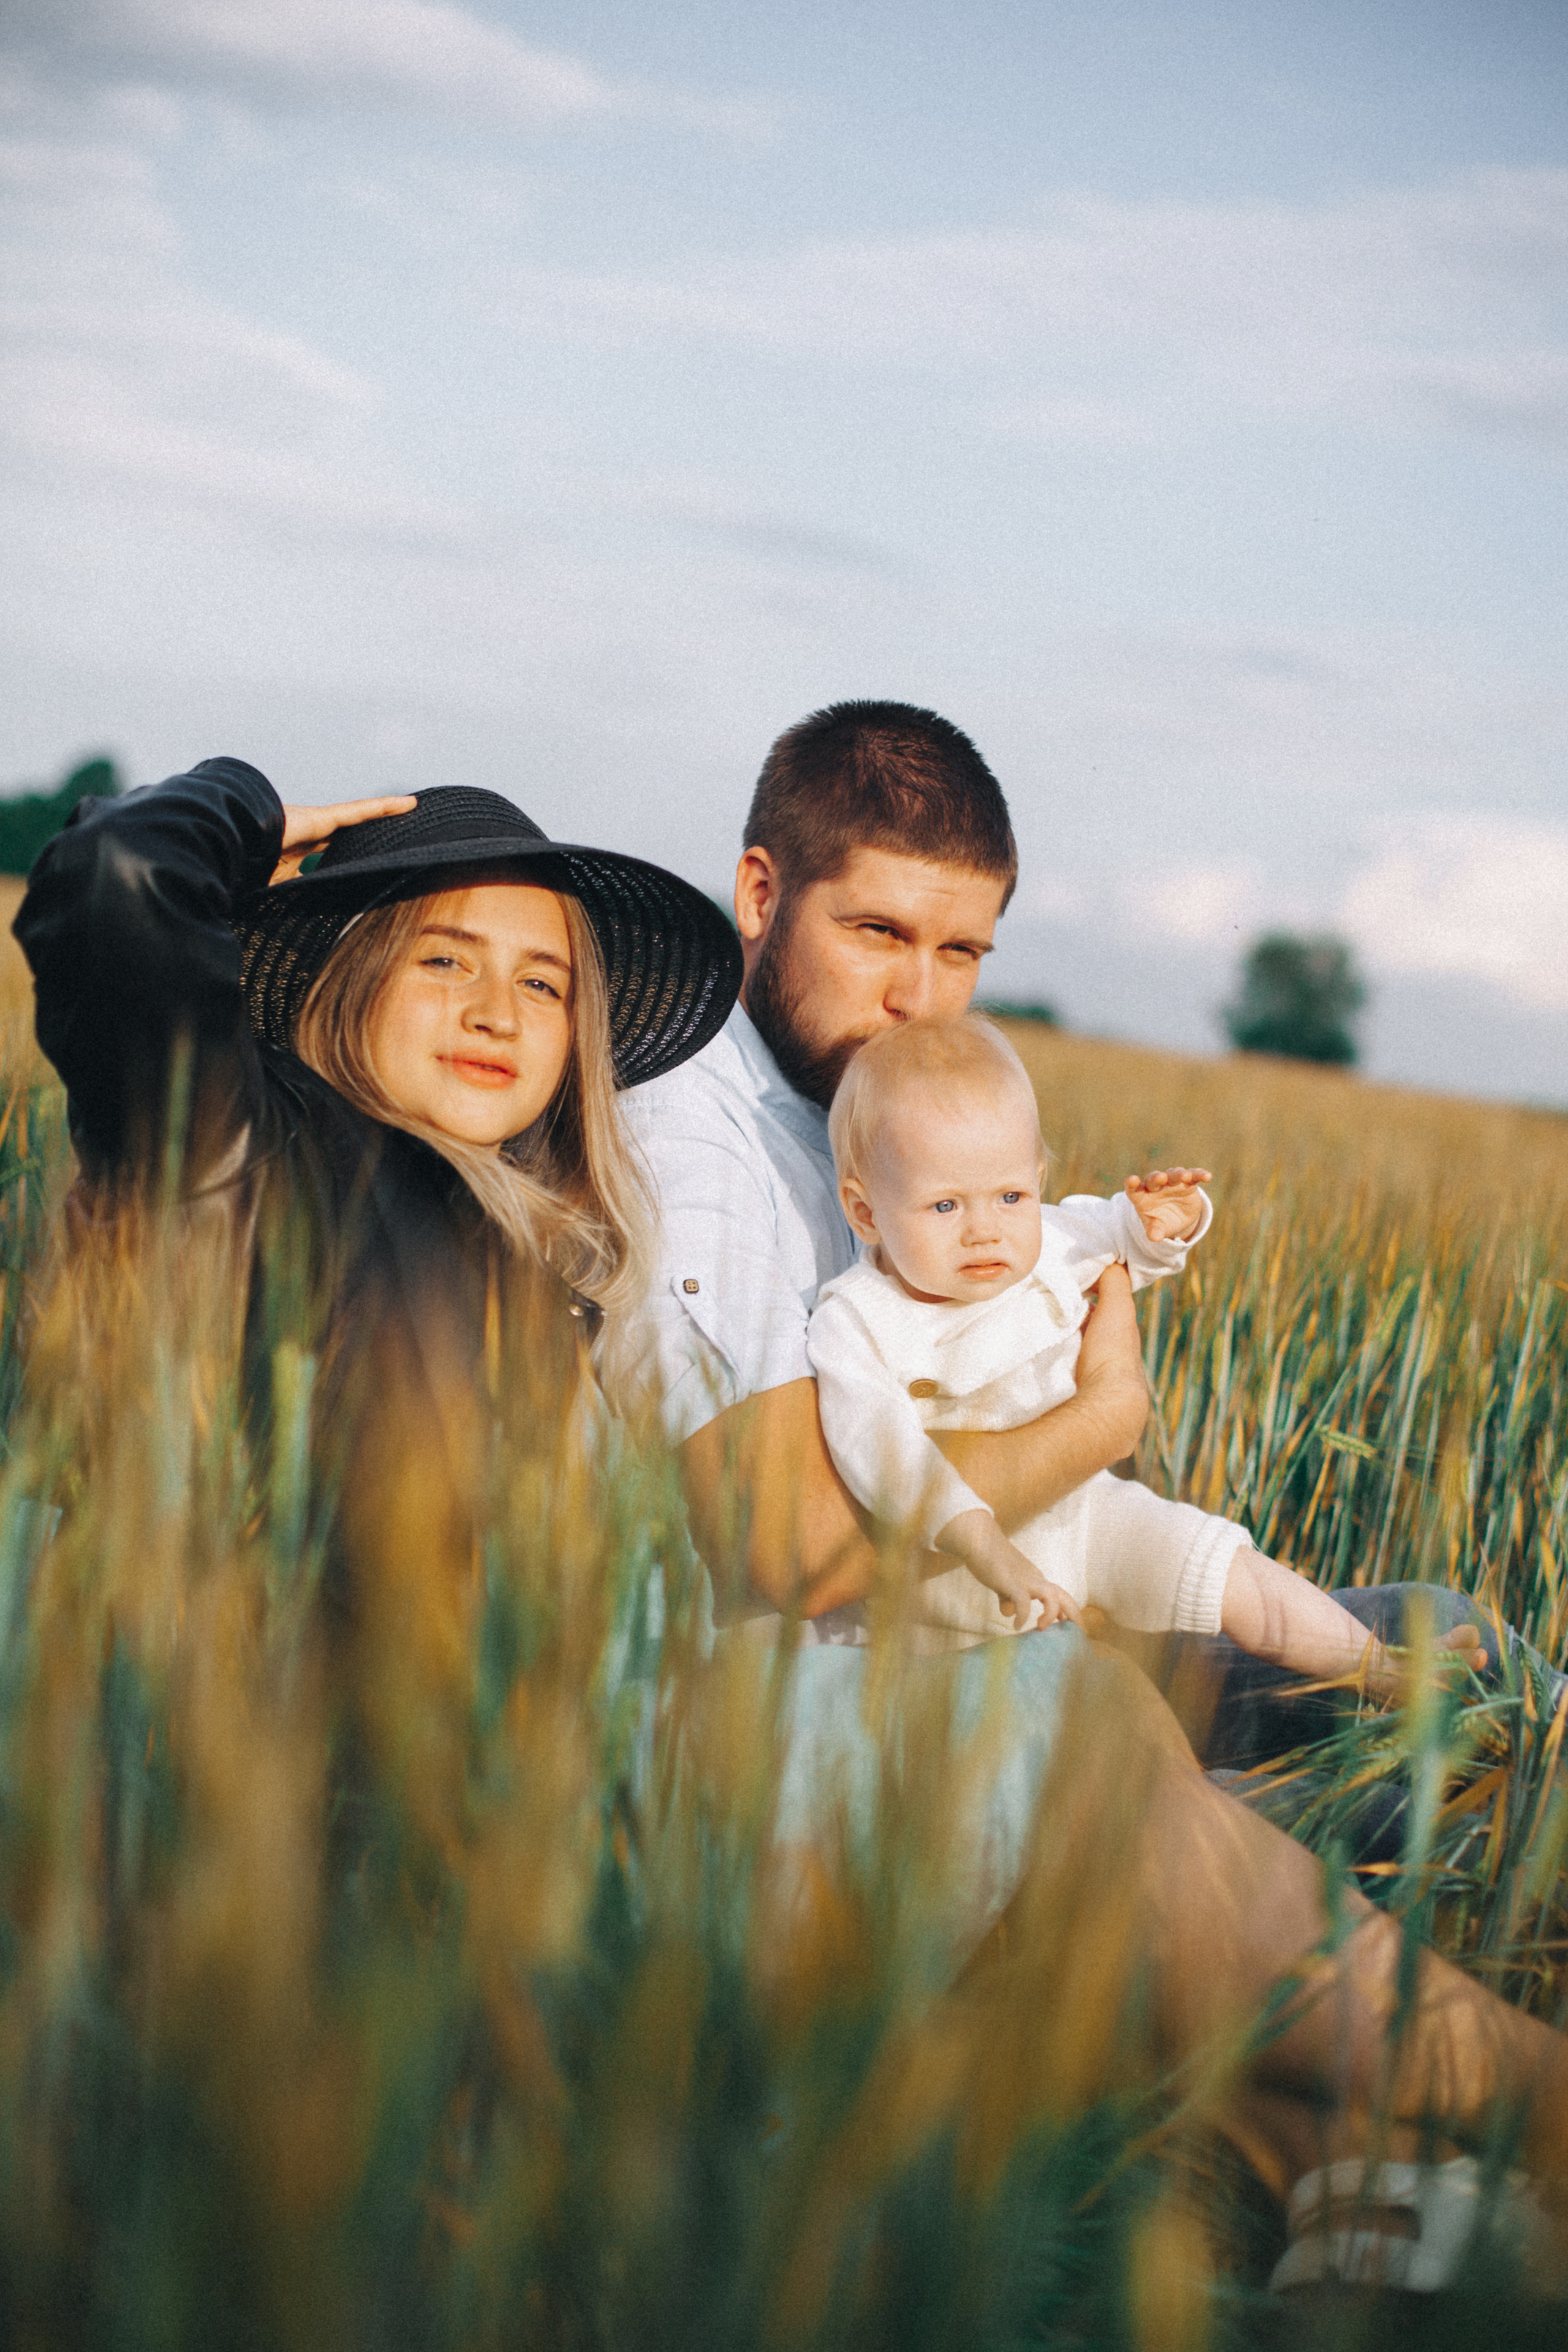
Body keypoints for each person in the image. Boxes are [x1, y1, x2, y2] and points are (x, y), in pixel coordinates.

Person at [620, 698, 1568, 2276]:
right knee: (1113, 1720)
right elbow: (790, 1542)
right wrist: (1100, 1417)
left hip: (960, 1622)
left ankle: (1339, 2173)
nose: (916, 995)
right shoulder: (709, 1148)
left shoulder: (864, 1111)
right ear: (756, 894)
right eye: (876, 932)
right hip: (821, 1689)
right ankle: (1501, 2113)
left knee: (1443, 1649)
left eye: (961, 951)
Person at [14, 756, 742, 1553]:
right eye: (444, 960)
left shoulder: (554, 1277)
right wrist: (245, 811)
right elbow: (119, 875)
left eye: (542, 985)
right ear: (346, 975)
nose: (495, 1014)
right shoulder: (253, 1147)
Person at [810, 1011, 1461, 1694]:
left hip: (1085, 1515)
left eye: (1010, 1195)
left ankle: (1375, 1668)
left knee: (1220, 1562)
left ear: (1035, 1181)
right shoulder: (856, 1320)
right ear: (865, 1213)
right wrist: (981, 1544)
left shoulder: (1051, 1241)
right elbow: (883, 1453)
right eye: (945, 1207)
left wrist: (1168, 1223)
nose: (985, 1231)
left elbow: (1122, 1235)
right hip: (948, 1579)